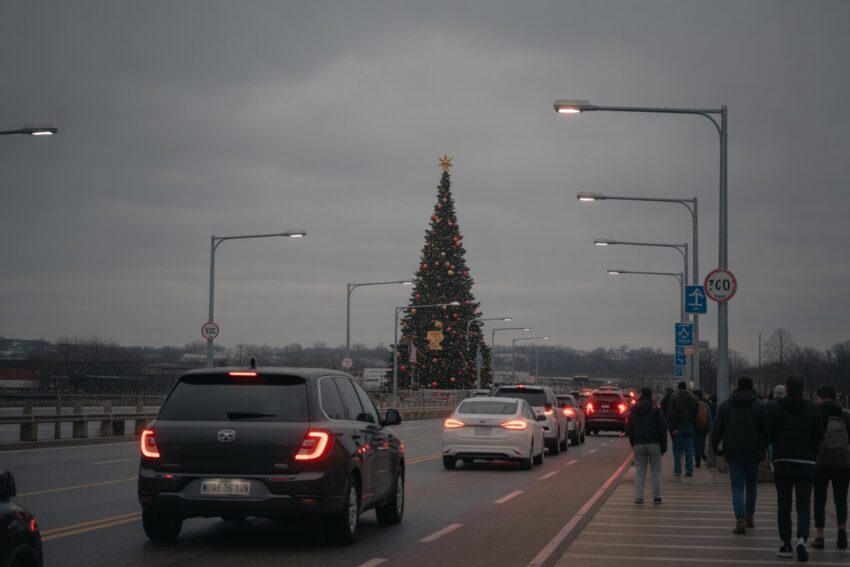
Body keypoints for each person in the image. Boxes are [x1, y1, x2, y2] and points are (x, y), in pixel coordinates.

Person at [765, 374, 824, 562]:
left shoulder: (775, 408)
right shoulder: (813, 409)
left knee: (784, 505)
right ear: (803, 388)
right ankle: (801, 538)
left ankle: (786, 544)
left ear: (787, 389)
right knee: (804, 504)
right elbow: (819, 435)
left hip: (783, 460)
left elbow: (769, 432)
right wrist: (811, 454)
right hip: (806, 461)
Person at [710, 376, 766, 534]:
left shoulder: (725, 406)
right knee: (751, 484)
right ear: (752, 386)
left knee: (737, 485)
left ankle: (740, 519)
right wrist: (765, 448)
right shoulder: (760, 406)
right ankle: (750, 516)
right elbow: (766, 430)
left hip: (733, 450)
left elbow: (717, 430)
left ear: (737, 387)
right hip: (754, 451)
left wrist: (715, 448)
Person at [811, 384, 850, 550]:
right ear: (834, 397)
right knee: (840, 499)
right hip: (842, 464)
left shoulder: (814, 414)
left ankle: (820, 536)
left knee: (820, 499)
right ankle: (841, 531)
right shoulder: (845, 416)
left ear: (819, 397)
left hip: (820, 463)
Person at [626, 387, 668, 505]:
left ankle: (639, 497)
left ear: (641, 395)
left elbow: (630, 429)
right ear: (650, 395)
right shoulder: (655, 409)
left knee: (640, 471)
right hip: (654, 443)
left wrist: (633, 444)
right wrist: (663, 446)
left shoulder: (633, 410)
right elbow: (662, 428)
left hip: (638, 443)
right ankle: (657, 497)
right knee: (656, 471)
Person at [667, 381, 698, 477]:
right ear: (686, 388)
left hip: (678, 427)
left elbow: (670, 414)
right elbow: (696, 412)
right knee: (689, 449)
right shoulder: (693, 398)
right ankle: (689, 470)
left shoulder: (674, 397)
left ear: (678, 388)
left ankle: (677, 470)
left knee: (677, 449)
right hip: (690, 426)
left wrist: (672, 428)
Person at [693, 389, 713, 468]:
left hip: (695, 427)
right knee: (702, 444)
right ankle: (702, 455)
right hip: (704, 427)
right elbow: (709, 416)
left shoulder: (693, 404)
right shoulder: (705, 404)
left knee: (696, 445)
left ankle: (698, 461)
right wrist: (710, 427)